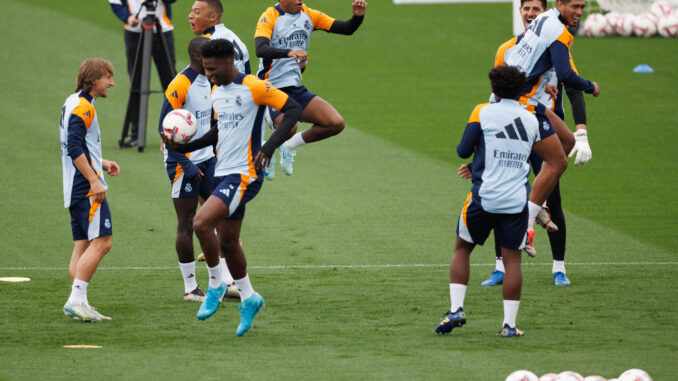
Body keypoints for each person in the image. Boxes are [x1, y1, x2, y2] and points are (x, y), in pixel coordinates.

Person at [165, 39, 303, 336]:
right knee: (227, 242)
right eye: (205, 69)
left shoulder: (253, 86)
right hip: (222, 172)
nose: (209, 74)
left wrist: (268, 146)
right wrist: (187, 145)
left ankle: (215, 285)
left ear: (229, 63)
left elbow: (292, 109)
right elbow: (218, 132)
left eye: (213, 69)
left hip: (245, 174)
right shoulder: (217, 92)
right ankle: (250, 297)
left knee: (201, 223)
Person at [435, 65, 567, 337]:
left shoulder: (482, 111)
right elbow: (552, 157)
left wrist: (478, 156)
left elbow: (462, 150)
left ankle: (456, 309)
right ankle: (509, 326)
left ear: (494, 88)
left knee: (462, 248)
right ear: (521, 90)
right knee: (513, 263)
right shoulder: (531, 119)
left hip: (483, 199)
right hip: (516, 202)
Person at [479, 0, 593, 287]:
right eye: (526, 9)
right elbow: (500, 90)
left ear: (544, 12)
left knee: (552, 194)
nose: (531, 14)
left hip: (544, 117)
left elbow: (570, 86)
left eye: (535, 9)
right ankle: (501, 265)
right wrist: (591, 86)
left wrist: (581, 132)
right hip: (523, 117)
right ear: (520, 13)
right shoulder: (510, 47)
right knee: (509, 193)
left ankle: (558, 267)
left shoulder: (554, 43)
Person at [158, 37, 240, 302]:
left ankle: (225, 281)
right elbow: (165, 128)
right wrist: (185, 164)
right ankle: (190, 287)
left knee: (220, 218)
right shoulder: (181, 84)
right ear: (197, 55)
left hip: (208, 160)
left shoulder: (212, 82)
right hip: (184, 165)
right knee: (187, 223)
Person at [254, 0, 367, 178]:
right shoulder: (270, 16)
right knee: (289, 125)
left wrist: (357, 17)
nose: (300, 0)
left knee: (335, 124)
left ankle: (288, 145)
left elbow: (346, 28)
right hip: (270, 89)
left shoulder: (309, 15)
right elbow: (260, 49)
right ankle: (265, 153)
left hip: (295, 89)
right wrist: (288, 52)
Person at [60, 58, 120, 322]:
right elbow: (73, 146)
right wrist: (95, 180)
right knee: (103, 242)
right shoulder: (84, 107)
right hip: (85, 186)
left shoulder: (72, 101)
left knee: (81, 245)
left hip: (72, 186)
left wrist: (102, 163)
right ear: (94, 80)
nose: (112, 82)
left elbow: (74, 143)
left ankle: (79, 302)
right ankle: (75, 300)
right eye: (108, 77)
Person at [109, 0, 177, 148]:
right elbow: (115, 3)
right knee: (137, 84)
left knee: (172, 84)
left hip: (162, 30)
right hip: (134, 32)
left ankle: (178, 132)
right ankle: (135, 136)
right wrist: (127, 17)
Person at [188, 0, 251, 75]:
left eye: (197, 12)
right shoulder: (235, 39)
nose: (190, 16)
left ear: (213, 17)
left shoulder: (207, 42)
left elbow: (192, 75)